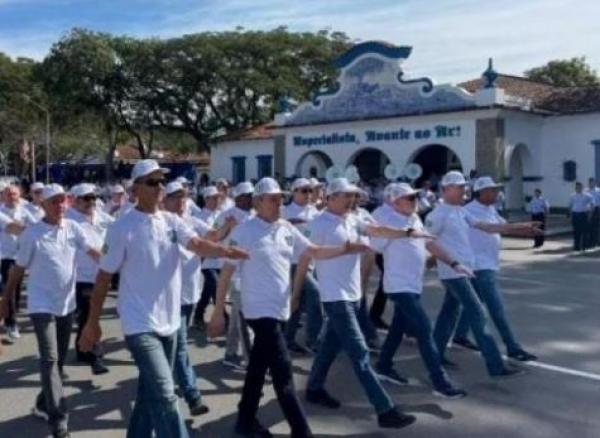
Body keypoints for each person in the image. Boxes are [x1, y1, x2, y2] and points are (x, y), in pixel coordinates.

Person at [78, 159, 248, 438]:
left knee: (149, 394)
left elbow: (197, 244)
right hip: (139, 323)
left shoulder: (172, 221)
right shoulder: (122, 227)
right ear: (135, 189)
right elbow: (103, 278)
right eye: (152, 182)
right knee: (167, 395)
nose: (160, 187)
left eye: (161, 181)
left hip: (169, 321)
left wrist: (225, 251)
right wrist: (92, 323)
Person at [208, 177, 370, 438]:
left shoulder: (284, 227)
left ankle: (245, 420)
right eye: (273, 198)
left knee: (258, 368)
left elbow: (313, 251)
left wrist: (345, 248)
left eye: (280, 197)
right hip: (259, 312)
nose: (279, 202)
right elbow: (226, 273)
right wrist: (217, 313)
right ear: (259, 202)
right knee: (283, 374)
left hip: (280, 310)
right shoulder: (244, 232)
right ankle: (301, 430)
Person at [295, 178, 420, 430]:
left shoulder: (353, 219)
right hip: (335, 297)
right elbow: (306, 256)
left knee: (329, 346)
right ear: (330, 198)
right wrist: (296, 294)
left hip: (353, 295)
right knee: (360, 353)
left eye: (353, 196)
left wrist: (406, 233)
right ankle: (385, 409)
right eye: (346, 196)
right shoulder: (317, 224)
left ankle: (315, 388)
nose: (352, 200)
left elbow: (377, 231)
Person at [0, 183, 102, 438]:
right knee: (49, 359)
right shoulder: (32, 234)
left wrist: (118, 262)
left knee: (57, 361)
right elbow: (18, 271)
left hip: (66, 305)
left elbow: (93, 252)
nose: (60, 206)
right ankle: (58, 418)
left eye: (62, 201)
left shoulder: (74, 228)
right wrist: (5, 300)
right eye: (53, 202)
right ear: (42, 205)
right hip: (41, 305)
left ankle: (43, 402)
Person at [426, 171, 532, 377]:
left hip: (465, 270)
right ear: (446, 190)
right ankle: (495, 365)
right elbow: (429, 242)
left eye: (464, 186)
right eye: (459, 187)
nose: (464, 190)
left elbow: (486, 226)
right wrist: (453, 263)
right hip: (453, 273)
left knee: (448, 314)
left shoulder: (459, 211)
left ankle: (435, 354)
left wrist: (519, 227)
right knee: (478, 313)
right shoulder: (437, 215)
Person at [374, 183, 467, 398]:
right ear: (396, 202)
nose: (415, 200)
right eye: (409, 198)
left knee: (398, 328)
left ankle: (383, 365)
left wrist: (454, 263)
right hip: (398, 287)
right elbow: (375, 246)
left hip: (413, 285)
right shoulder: (388, 221)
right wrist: (401, 233)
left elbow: (430, 244)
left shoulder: (414, 219)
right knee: (424, 330)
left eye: (416, 197)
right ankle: (440, 382)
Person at [451, 177, 540, 362]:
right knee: (496, 308)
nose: (496, 193)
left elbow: (503, 226)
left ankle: (460, 335)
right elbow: (491, 229)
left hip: (486, 264)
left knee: (473, 304)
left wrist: (525, 231)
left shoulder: (490, 209)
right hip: (479, 266)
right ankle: (513, 347)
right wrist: (521, 226)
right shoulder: (468, 211)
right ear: (481, 192)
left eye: (496, 189)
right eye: (492, 190)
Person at [163, 181, 212, 417]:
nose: (181, 201)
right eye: (175, 197)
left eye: (184, 197)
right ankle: (193, 396)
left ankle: (164, 380)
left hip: (191, 292)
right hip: (170, 296)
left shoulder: (191, 222)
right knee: (181, 346)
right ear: (165, 200)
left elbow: (211, 237)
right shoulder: (161, 224)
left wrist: (230, 227)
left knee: (173, 346)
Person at [65, 183, 113, 375]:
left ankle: (81, 349)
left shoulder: (102, 217)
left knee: (89, 314)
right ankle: (96, 357)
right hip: (80, 276)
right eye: (86, 198)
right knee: (89, 315)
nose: (91, 202)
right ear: (75, 200)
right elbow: (90, 250)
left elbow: (113, 237)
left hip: (101, 275)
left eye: (93, 197)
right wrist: (109, 260)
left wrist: (109, 255)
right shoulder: (69, 220)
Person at [213, 181, 255, 369]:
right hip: (233, 272)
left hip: (250, 272)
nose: (250, 198)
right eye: (247, 195)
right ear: (238, 197)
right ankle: (252, 361)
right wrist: (227, 228)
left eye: (252, 195)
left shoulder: (255, 215)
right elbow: (214, 239)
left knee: (239, 315)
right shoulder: (226, 214)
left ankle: (230, 353)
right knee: (244, 316)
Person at [282, 177, 323, 353]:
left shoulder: (315, 212)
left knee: (296, 303)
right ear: (295, 192)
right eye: (304, 190)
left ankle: (287, 339)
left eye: (310, 191)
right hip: (292, 263)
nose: (308, 194)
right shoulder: (284, 211)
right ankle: (313, 340)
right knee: (316, 295)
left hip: (311, 263)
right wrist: (291, 223)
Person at [0, 183, 37, 343]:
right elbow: (13, 228)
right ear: (3, 196)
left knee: (15, 290)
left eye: (14, 194)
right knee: (9, 287)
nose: (11, 196)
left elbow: (38, 226)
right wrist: (28, 229)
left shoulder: (25, 210)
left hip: (21, 255)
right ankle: (11, 322)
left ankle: (8, 316)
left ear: (20, 195)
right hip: (5, 255)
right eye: (8, 194)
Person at [193, 186, 225, 329]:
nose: (218, 200)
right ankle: (224, 316)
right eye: (214, 198)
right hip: (206, 260)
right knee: (216, 285)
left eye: (219, 198)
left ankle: (198, 315)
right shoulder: (198, 217)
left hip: (219, 259)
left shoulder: (222, 214)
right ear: (206, 199)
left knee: (208, 288)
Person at [569, 181, 594, 251]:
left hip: (583, 214)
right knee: (576, 231)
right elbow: (570, 205)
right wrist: (570, 215)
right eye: (577, 187)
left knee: (584, 231)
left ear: (582, 187)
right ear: (575, 188)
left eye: (579, 187)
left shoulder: (587, 195)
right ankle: (576, 247)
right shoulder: (572, 195)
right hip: (575, 214)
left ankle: (584, 246)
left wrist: (590, 213)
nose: (578, 188)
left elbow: (592, 203)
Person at [586, 178, 600, 247]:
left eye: (592, 182)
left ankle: (597, 241)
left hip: (596, 210)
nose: (591, 184)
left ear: (595, 183)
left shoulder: (598, 191)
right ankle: (590, 241)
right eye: (590, 182)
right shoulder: (586, 191)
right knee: (589, 226)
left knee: (596, 226)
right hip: (588, 210)